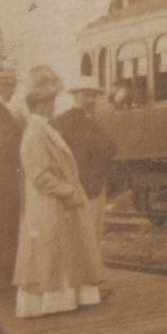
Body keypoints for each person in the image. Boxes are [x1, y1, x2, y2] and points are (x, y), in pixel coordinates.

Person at [11, 73, 104, 317]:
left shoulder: (44, 129)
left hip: (56, 205)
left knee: (60, 255)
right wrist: (68, 191)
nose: (53, 106)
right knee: (50, 257)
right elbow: (40, 176)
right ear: (39, 104)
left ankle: (63, 300)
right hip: (48, 205)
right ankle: (51, 302)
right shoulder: (35, 133)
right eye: (50, 101)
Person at [51, 77, 117, 242]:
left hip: (95, 190)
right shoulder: (65, 122)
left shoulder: (93, 123)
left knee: (90, 241)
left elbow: (110, 149)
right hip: (79, 191)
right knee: (81, 242)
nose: (91, 100)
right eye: (86, 95)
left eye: (94, 96)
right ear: (75, 96)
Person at [0, 63, 25, 306]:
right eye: (10, 85)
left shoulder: (0, 109)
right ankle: (3, 279)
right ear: (1, 85)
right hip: (2, 180)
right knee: (5, 227)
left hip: (5, 178)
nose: (13, 89)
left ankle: (6, 276)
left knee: (7, 227)